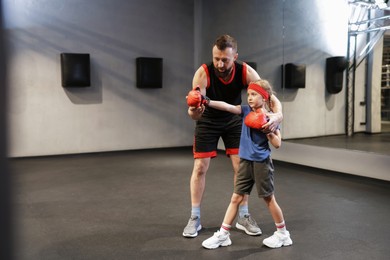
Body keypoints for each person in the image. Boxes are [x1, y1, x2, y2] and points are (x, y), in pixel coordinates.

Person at [183, 34, 283, 238]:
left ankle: (243, 216)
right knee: (200, 167)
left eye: (225, 59)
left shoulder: (246, 71)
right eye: (216, 58)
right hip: (208, 119)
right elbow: (193, 113)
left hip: (235, 119)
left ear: (235, 56)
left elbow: (270, 97)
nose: (220, 63)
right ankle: (194, 217)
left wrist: (278, 116)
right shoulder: (203, 73)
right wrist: (195, 110)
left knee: (241, 167)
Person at [201, 79, 292, 249]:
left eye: (254, 94)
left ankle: (283, 234)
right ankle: (223, 234)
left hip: (261, 162)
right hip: (245, 161)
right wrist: (207, 101)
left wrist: (268, 131)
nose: (249, 98)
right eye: (248, 94)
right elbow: (228, 106)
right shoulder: (244, 111)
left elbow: (278, 143)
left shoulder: (270, 117)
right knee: (236, 197)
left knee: (268, 198)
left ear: (264, 98)